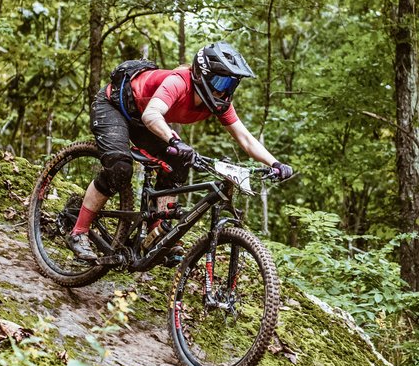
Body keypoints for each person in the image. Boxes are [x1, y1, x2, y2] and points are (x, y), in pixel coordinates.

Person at [67, 41, 294, 263]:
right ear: (202, 74)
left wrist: (275, 163)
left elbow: (244, 137)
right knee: (120, 168)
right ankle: (79, 231)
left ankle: (157, 231)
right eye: (221, 82)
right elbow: (152, 115)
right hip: (115, 105)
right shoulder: (178, 82)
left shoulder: (218, 102)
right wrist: (175, 140)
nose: (225, 91)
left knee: (178, 163)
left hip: (143, 121)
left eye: (230, 85)